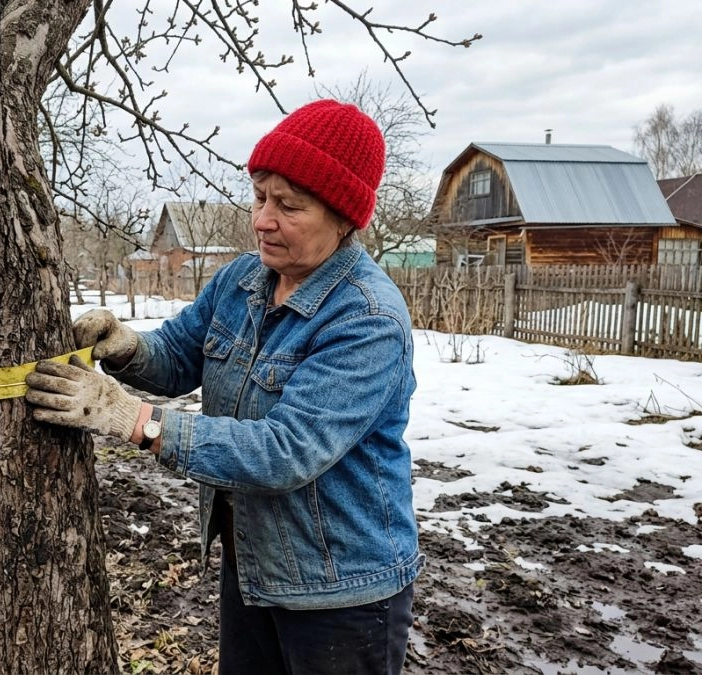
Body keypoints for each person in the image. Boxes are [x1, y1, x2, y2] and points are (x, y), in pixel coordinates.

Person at [24, 99, 421, 675]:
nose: (263, 218)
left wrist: (134, 420)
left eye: (289, 204)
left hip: (343, 590)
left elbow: (286, 451)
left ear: (343, 217)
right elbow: (178, 357)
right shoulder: (242, 280)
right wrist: (125, 347)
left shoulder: (366, 318)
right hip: (255, 562)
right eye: (260, 195)